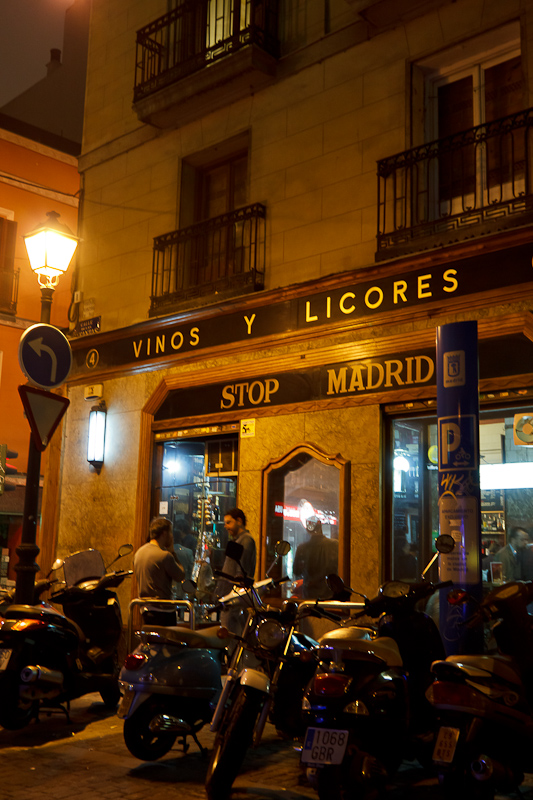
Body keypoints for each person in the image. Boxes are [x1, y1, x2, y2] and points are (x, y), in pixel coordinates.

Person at [134, 516, 185, 625]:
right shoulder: (165, 556)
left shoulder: (138, 553)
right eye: (171, 532)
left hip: (145, 609)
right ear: (164, 534)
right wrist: (173, 552)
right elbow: (181, 576)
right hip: (163, 612)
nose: (172, 536)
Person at [216, 508, 256, 641]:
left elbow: (241, 570)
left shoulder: (246, 540)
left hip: (234, 598)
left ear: (239, 521)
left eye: (229, 522)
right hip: (229, 597)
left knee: (231, 636)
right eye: (225, 523)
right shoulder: (238, 540)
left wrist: (238, 582)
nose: (226, 526)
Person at [292, 516, 339, 599]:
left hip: (309, 595)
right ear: (321, 527)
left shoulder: (301, 548)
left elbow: (296, 571)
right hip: (329, 594)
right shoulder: (335, 545)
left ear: (307, 529)